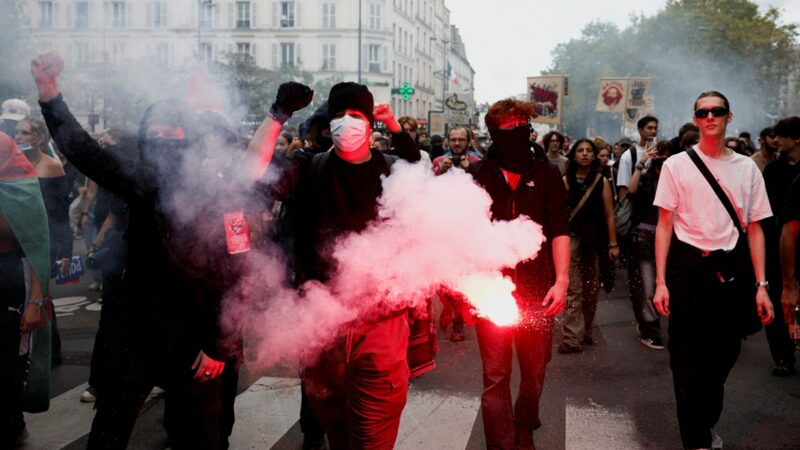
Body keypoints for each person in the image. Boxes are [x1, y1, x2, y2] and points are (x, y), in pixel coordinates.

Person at [32, 51, 238, 449]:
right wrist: (49, 92)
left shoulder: (222, 194)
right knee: (109, 428)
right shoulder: (139, 180)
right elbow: (83, 150)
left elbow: (237, 276)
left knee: (198, 436)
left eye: (172, 130)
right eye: (154, 131)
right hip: (135, 329)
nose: (162, 137)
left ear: (190, 136)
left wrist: (218, 346)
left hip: (194, 335)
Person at [246, 81, 420, 449]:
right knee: (336, 430)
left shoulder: (393, 171)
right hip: (320, 321)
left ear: (370, 125)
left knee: (371, 437)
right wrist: (279, 114)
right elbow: (251, 173)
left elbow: (421, 172)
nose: (347, 123)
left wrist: (396, 126)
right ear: (328, 124)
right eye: (339, 115)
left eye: (356, 116)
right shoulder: (307, 167)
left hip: (380, 323)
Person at [652, 91, 774, 449]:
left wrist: (762, 285)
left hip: (730, 274)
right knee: (686, 362)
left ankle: (704, 423)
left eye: (716, 111)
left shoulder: (746, 167)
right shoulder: (676, 165)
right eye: (702, 112)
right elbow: (663, 225)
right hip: (688, 271)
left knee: (723, 358)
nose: (709, 117)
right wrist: (660, 281)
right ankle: (697, 440)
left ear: (728, 117)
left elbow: (755, 229)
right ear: (695, 118)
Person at [466, 98, 569, 450]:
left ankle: (524, 426)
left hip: (536, 285)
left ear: (528, 128)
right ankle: (502, 443)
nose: (513, 132)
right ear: (493, 132)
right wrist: (465, 291)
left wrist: (563, 280)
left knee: (534, 371)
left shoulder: (547, 173)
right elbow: (463, 232)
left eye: (519, 126)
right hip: (490, 286)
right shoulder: (478, 175)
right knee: (495, 375)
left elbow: (559, 229)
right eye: (504, 127)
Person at [0, 133, 51, 447]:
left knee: (8, 365)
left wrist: (35, 302)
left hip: (8, 279)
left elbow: (37, 249)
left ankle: (11, 427)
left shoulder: (23, 191)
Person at [15, 116, 70, 364]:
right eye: (17, 132)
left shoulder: (52, 167)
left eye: (25, 133)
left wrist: (65, 253)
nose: (18, 137)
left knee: (41, 297)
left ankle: (49, 352)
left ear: (38, 137)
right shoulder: (11, 165)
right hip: (17, 242)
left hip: (44, 243)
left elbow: (61, 214)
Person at [558, 139, 619, 354]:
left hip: (594, 244)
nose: (584, 154)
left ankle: (585, 330)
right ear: (574, 156)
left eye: (588, 151)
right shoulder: (565, 181)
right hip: (572, 241)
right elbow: (559, 213)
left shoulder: (601, 181)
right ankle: (571, 337)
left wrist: (613, 244)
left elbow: (609, 215)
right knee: (574, 289)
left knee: (591, 289)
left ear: (594, 156)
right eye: (580, 151)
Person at [617, 115, 665, 348]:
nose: (652, 131)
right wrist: (642, 163)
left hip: (664, 230)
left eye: (656, 128)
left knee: (659, 281)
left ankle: (651, 322)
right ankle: (649, 327)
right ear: (640, 130)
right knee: (645, 282)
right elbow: (627, 192)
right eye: (649, 128)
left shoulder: (666, 164)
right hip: (642, 229)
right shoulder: (632, 156)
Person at [769, 116, 800, 375]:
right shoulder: (773, 171)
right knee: (780, 298)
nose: (775, 140)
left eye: (781, 135)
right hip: (777, 244)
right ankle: (783, 356)